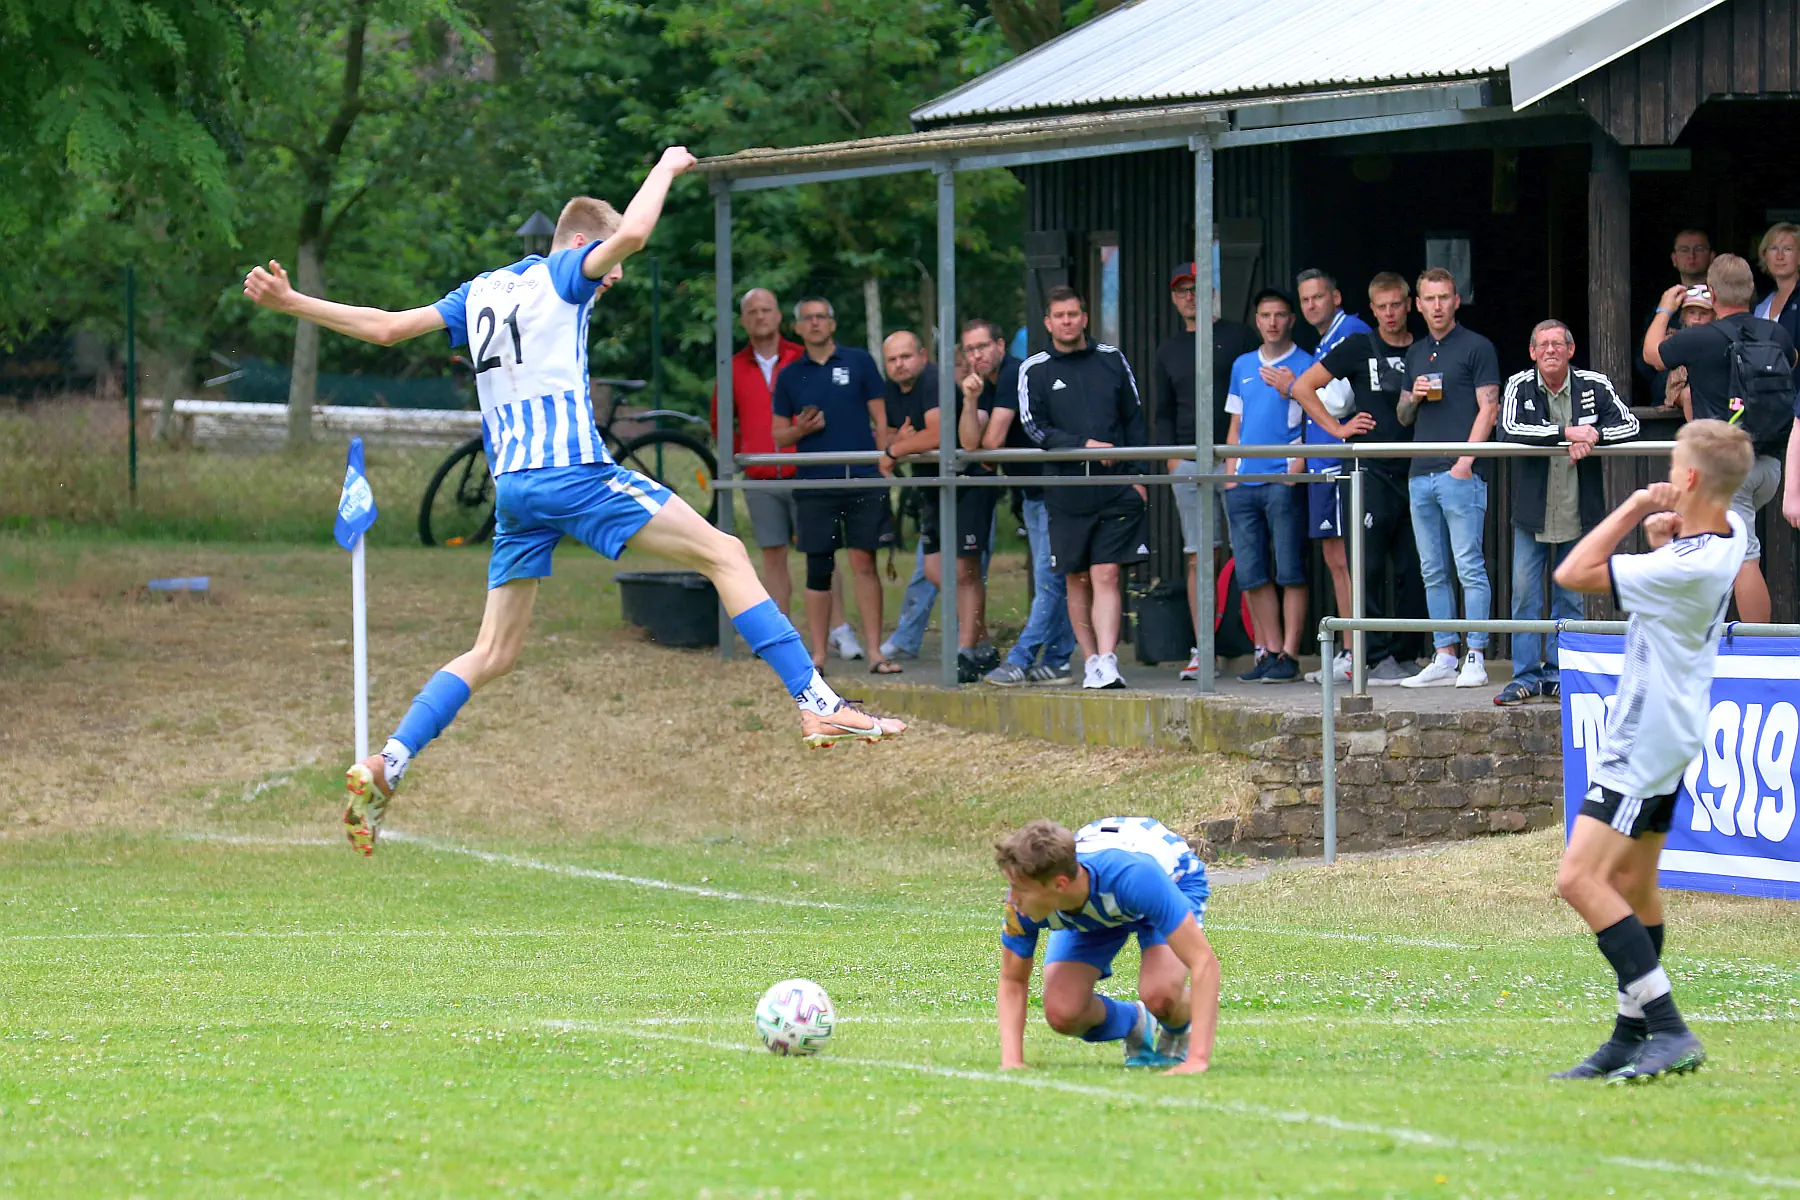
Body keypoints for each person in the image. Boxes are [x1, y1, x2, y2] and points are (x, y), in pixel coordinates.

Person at [242, 150, 905, 854]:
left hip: (515, 490)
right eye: (605, 263)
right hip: (570, 472)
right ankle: (818, 702)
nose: (611, 278)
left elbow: (385, 327)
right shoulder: (562, 273)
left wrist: (292, 303)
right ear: (581, 243)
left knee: (493, 651)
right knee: (726, 552)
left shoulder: (479, 292)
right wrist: (665, 167)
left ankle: (389, 761)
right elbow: (635, 234)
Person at [1549, 419, 1752, 1082]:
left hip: (1644, 737)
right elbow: (1695, 546)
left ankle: (1669, 1029)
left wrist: (1637, 507)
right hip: (1674, 730)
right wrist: (1670, 534)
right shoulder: (1729, 532)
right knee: (1634, 886)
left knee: (1579, 879)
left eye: (1671, 466)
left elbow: (1573, 571)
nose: (1665, 476)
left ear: (1687, 478)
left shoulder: (1680, 567)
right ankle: (1627, 1036)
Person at [995, 816, 1218, 1075]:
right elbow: (1013, 979)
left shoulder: (1135, 877)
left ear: (1059, 884)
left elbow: (1203, 962)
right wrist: (1012, 1061)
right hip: (1093, 903)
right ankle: (1135, 1020)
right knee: (1062, 1012)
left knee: (1160, 995)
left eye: (1020, 889)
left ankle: (1179, 1029)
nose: (1012, 898)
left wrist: (1197, 1059)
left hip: (1169, 882)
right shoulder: (1022, 905)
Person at [1291, 271, 1428, 684]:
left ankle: (1406, 654)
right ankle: (1373, 656)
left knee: (1412, 567)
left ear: (1409, 305)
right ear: (1372, 309)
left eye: (1396, 305)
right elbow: (1303, 387)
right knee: (1365, 567)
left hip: (1417, 469)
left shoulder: (1424, 350)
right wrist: (1337, 429)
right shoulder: (1358, 345)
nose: (1390, 313)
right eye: (1382, 307)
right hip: (1369, 470)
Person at [1645, 254, 1798, 623]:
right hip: (1769, 464)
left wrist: (1665, 309)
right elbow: (1792, 361)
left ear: (1712, 295)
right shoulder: (1775, 333)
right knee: (1718, 549)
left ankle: (1757, 649)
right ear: (1751, 291)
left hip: (1725, 470)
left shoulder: (1700, 338)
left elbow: (1653, 355)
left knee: (1743, 557)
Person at [1494, 320, 1639, 705]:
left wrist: (1595, 436)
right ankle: (1525, 676)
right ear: (1532, 352)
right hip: (1533, 512)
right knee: (1525, 596)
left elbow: (1630, 424)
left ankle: (1562, 674)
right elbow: (1507, 429)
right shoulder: (1519, 384)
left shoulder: (1594, 383)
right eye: (1543, 345)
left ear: (1571, 350)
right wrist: (1566, 434)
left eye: (1558, 344)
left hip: (1578, 510)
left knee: (1571, 599)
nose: (1550, 350)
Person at [710, 287, 857, 655]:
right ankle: (782, 635)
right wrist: (744, 451)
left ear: (779, 316)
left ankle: (839, 629)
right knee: (772, 554)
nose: (760, 316)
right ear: (744, 321)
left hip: (808, 470)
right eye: (753, 311)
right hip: (760, 476)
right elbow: (720, 421)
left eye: (767, 309)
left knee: (822, 552)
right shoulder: (733, 367)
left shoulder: (801, 358)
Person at [1018, 286, 1150, 691]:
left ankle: (1108, 660)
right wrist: (1083, 446)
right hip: (1066, 489)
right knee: (1076, 578)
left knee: (1107, 573)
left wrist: (1139, 476)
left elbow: (1134, 418)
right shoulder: (1034, 369)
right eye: (1059, 316)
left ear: (1085, 317)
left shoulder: (1111, 358)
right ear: (1048, 322)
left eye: (1073, 314)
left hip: (1115, 488)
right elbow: (1034, 428)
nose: (1067, 321)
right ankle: (1090, 659)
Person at [771, 297, 899, 673]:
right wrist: (801, 429)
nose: (814, 323)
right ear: (797, 328)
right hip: (815, 482)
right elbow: (779, 435)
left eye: (821, 317)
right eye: (807, 318)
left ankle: (875, 653)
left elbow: (881, 419)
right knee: (819, 568)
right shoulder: (790, 375)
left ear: (833, 323)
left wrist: (883, 463)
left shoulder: (859, 362)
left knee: (864, 562)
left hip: (862, 478)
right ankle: (818, 657)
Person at [1153, 261, 1260, 681]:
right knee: (1201, 556)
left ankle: (1263, 646)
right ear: (1173, 298)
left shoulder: (1239, 336)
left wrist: (1246, 451)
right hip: (1189, 460)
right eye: (1182, 290)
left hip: (1235, 456)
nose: (1189, 296)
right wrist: (1172, 458)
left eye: (1196, 289)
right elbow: (1163, 411)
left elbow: (1255, 394)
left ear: (1211, 294)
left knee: (1250, 549)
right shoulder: (1169, 349)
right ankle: (1204, 649)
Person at [1397, 268, 1501, 689]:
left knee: (1469, 566)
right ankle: (1444, 655)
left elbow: (1489, 408)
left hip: (1460, 472)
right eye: (1429, 298)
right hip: (1419, 472)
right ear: (1418, 305)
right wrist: (1415, 396)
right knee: (1432, 570)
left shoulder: (1477, 346)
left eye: (1444, 297)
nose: (1437, 306)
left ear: (1457, 301)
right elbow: (1403, 415)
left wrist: (1465, 462)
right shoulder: (1415, 353)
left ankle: (1475, 655)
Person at [876, 330, 999, 681]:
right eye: (892, 359)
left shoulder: (933, 381)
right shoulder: (891, 389)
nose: (899, 365)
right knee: (934, 570)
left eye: (906, 356)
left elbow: (937, 434)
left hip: (967, 481)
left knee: (964, 570)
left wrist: (898, 448)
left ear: (922, 355)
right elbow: (887, 434)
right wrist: (899, 442)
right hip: (931, 485)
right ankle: (983, 644)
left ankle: (965, 654)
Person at [1222, 288, 1313, 683]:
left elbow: (1315, 421)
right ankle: (1270, 651)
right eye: (1265, 315)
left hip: (1282, 479)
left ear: (1291, 319)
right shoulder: (1242, 364)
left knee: (1290, 569)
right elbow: (1235, 424)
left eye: (1279, 315)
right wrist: (1230, 474)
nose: (1272, 322)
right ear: (1256, 320)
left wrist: (1296, 467)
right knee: (1251, 572)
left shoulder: (1307, 364)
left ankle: (1290, 655)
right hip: (1243, 482)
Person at [983, 322, 1078, 688]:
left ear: (1000, 345)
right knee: (1055, 579)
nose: (976, 356)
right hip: (1034, 494)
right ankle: (1057, 660)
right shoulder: (986, 383)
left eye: (982, 347)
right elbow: (974, 441)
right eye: (969, 350)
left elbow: (989, 442)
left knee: (1049, 580)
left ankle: (1021, 659)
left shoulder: (1013, 373)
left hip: (1052, 492)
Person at [1292, 269, 1373, 684]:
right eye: (1305, 299)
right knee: (1333, 557)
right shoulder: (1326, 338)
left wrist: (1294, 386)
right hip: (1322, 459)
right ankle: (1348, 649)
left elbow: (1340, 400)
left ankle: (1355, 651)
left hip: (1340, 460)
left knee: (1344, 558)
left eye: (1318, 297)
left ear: (1336, 297)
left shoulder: (1352, 331)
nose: (1311, 305)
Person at [1637, 230, 1714, 396]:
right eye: (1684, 250)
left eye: (1699, 249)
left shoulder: (1722, 302)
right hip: (1665, 400)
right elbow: (1645, 362)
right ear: (1674, 259)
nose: (1692, 255)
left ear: (1712, 256)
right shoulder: (1663, 304)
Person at [1661, 286, 1715, 419]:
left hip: (1711, 388)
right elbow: (1656, 353)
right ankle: (1697, 431)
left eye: (1703, 313)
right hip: (1680, 390)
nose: (1697, 318)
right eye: (1691, 313)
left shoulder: (1717, 338)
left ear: (1714, 316)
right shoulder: (1676, 338)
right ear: (1683, 316)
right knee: (1689, 394)